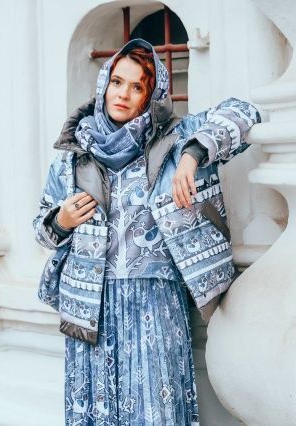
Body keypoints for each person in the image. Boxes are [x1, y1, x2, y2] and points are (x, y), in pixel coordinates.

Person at [33, 38, 260, 425]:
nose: (123, 94)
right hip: (90, 307)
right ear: (104, 84)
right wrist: (61, 220)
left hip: (155, 302)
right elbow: (41, 233)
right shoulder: (71, 157)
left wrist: (192, 155)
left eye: (137, 87)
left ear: (151, 96)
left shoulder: (174, 138)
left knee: (155, 411)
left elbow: (245, 113)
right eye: (117, 82)